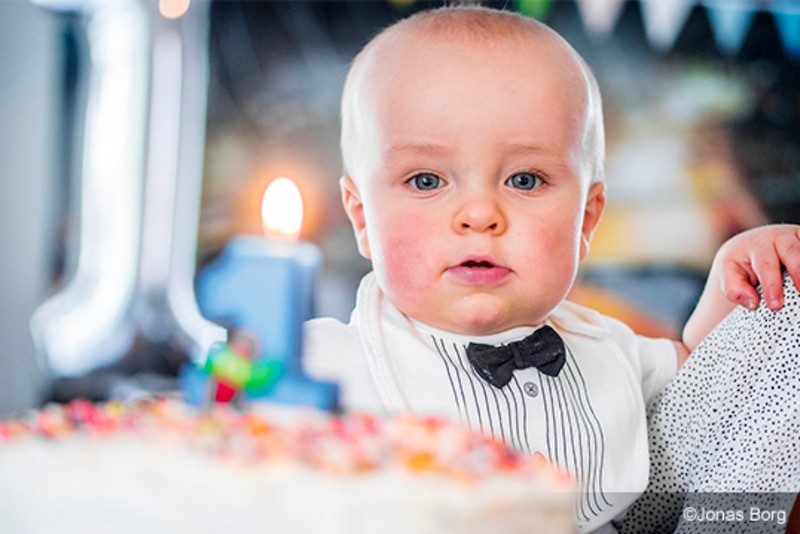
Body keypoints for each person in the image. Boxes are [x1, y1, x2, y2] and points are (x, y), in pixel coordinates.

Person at [302, 6, 800, 533]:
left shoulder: (607, 351)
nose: (479, 215)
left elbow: (713, 397)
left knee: (786, 317)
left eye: (524, 180)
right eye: (427, 180)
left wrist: (737, 271)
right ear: (362, 217)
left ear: (586, 219)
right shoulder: (323, 364)